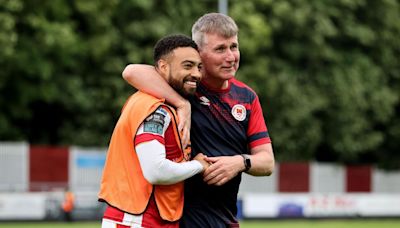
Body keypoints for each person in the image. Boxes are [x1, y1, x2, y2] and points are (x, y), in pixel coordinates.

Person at [122, 13, 275, 227]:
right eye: (220, 49)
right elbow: (131, 71)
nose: (231, 56)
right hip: (179, 218)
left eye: (234, 46)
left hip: (224, 218)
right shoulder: (185, 85)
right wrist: (182, 103)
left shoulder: (247, 98)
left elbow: (267, 162)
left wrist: (239, 162)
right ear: (199, 54)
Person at [98, 34, 209, 228]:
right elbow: (155, 171)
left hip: (148, 218)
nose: (197, 74)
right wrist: (198, 165)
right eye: (187, 65)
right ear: (163, 67)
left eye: (199, 67)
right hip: (137, 219)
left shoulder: (163, 103)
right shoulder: (154, 109)